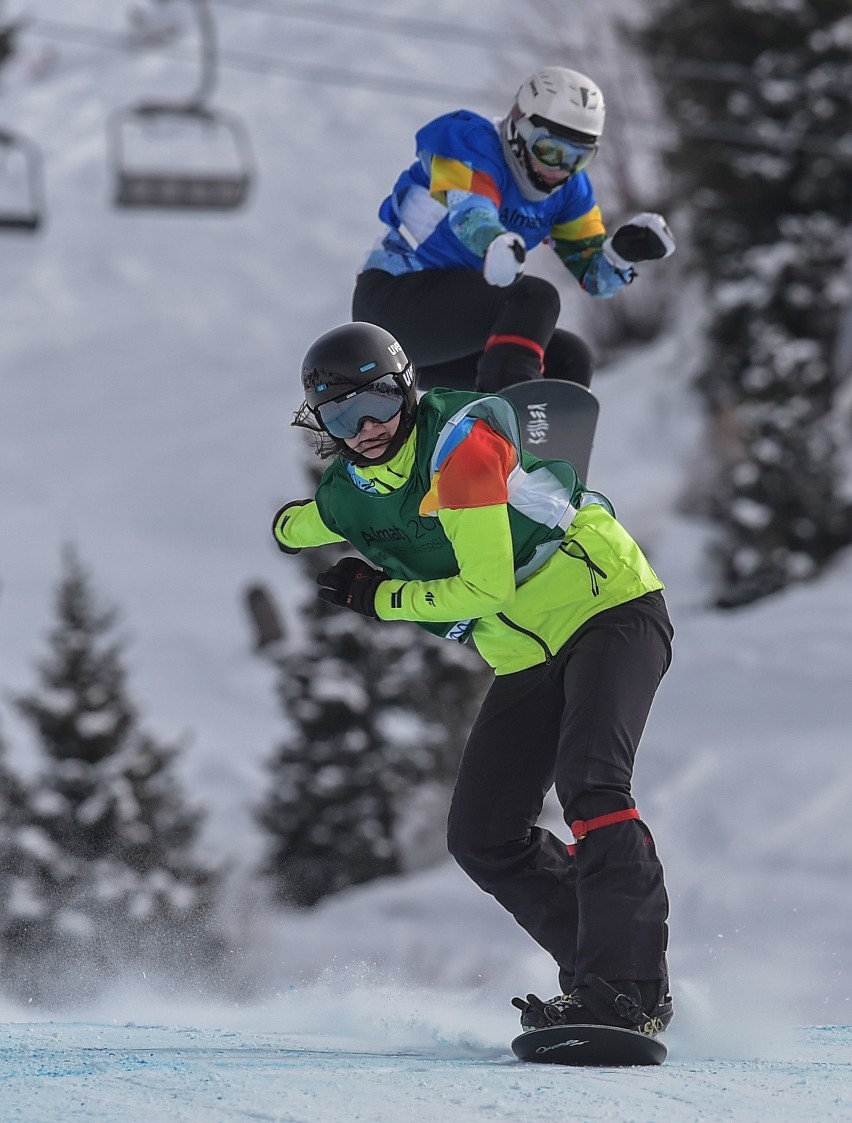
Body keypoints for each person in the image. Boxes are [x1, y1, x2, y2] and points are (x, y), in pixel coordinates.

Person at [273, 320, 675, 1036]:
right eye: (340, 414)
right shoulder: (350, 488)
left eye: (378, 404)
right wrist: (287, 526)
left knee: (593, 783)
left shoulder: (461, 448)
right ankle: (602, 975)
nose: (364, 427)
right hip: (528, 653)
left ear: (408, 390)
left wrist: (379, 596)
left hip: (607, 605)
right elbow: (311, 519)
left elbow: (484, 589)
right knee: (484, 833)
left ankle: (627, 986)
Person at [352, 66, 675, 394]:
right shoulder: (474, 147)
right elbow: (471, 215)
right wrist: (494, 243)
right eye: (550, 150)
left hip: (447, 338)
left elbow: (593, 276)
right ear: (519, 129)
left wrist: (621, 255)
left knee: (568, 358)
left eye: (578, 159)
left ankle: (537, 437)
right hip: (393, 307)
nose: (559, 170)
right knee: (535, 297)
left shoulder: (570, 191)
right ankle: (514, 406)